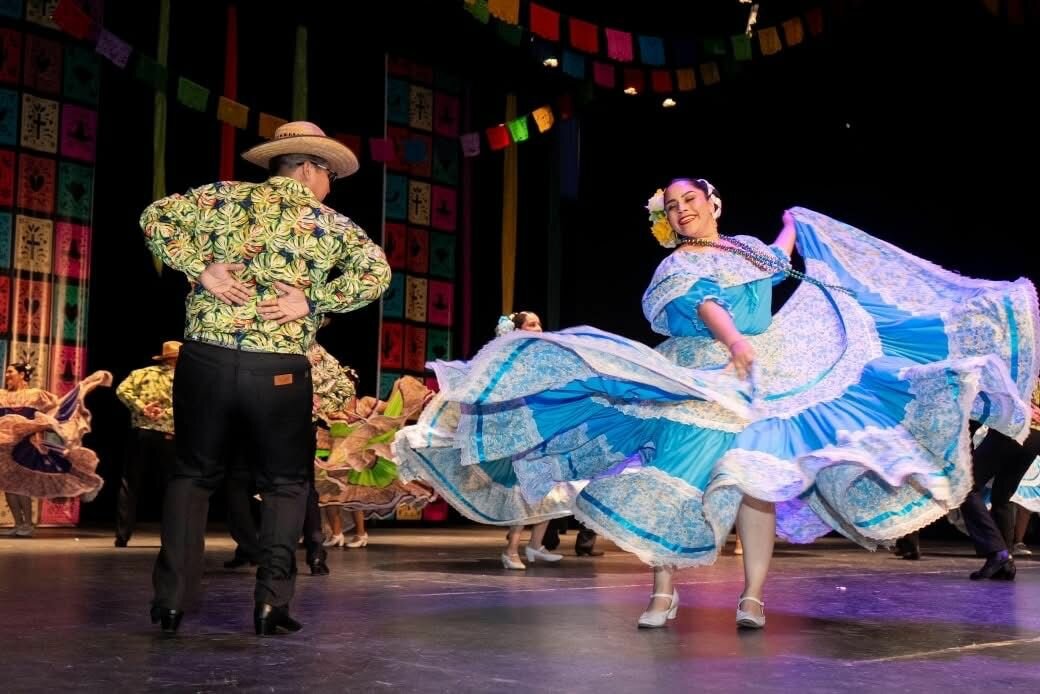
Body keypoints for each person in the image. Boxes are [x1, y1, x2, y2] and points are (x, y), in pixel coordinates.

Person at [395, 178, 1038, 630]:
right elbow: (706, 304)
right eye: (672, 207)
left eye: (690, 201)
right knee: (676, 474)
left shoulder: (746, 249)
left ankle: (752, 596)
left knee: (757, 481)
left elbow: (776, 261)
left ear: (713, 203)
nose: (682, 212)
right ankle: (663, 590)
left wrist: (793, 224)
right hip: (700, 371)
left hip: (762, 370)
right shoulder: (676, 266)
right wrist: (733, 341)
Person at [140, 121, 390, 635]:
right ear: (309, 168)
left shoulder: (221, 197)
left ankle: (171, 602)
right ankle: (271, 602)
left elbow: (154, 216)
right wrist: (314, 300)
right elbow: (377, 274)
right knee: (285, 484)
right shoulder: (331, 223)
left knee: (192, 476)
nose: (330, 186)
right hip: (277, 369)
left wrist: (200, 268)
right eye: (329, 175)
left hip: (206, 360)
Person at [1, 362, 111, 538]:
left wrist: (82, 388)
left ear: (21, 375)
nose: (7, 375)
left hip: (24, 445)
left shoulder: (35, 394)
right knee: (8, 486)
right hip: (4, 446)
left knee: (21, 486)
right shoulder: (1, 395)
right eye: (6, 372)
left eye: (10, 372)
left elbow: (57, 407)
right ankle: (18, 523)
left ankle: (27, 524)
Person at [114, 341, 180, 547]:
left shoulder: (140, 374)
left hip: (141, 433)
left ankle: (122, 535)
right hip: (168, 435)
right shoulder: (184, 378)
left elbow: (121, 391)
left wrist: (142, 408)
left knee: (130, 482)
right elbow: (188, 403)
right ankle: (170, 536)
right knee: (170, 485)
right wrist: (164, 414)